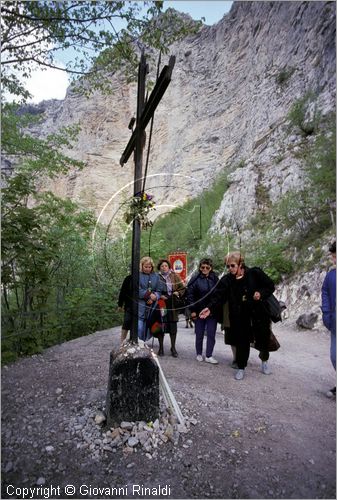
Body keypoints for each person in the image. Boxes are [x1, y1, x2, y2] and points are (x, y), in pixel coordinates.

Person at [200, 251, 275, 380]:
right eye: (228, 266)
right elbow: (218, 296)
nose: (230, 269)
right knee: (242, 341)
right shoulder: (227, 280)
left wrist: (260, 293)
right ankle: (241, 367)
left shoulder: (254, 273)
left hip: (259, 313)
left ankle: (264, 361)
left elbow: (270, 286)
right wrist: (209, 308)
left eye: (232, 265)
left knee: (263, 338)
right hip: (240, 315)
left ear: (241, 264)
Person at [186, 258, 220, 364]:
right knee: (199, 333)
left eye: (207, 267)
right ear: (200, 267)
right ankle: (199, 353)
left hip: (211, 311)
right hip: (199, 310)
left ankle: (209, 355)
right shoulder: (195, 279)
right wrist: (192, 310)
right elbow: (190, 295)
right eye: (202, 267)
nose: (204, 269)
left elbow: (218, 294)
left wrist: (213, 308)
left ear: (211, 268)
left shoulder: (215, 279)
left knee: (211, 333)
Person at [157, 259, 186, 357]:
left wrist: (177, 292)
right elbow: (152, 289)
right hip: (161, 303)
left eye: (165, 266)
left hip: (172, 303)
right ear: (159, 268)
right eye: (162, 266)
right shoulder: (156, 277)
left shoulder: (174, 276)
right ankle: (161, 348)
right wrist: (159, 296)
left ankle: (173, 348)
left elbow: (182, 288)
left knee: (173, 325)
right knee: (161, 324)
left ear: (169, 267)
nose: (164, 267)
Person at [321, 240, 336, 398]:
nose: (334, 260)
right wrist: (326, 313)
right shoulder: (331, 275)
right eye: (333, 256)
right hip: (335, 320)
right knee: (334, 356)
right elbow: (324, 291)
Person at [138, 256, 164, 342]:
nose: (148, 269)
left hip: (153, 304)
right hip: (141, 304)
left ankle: (145, 341)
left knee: (151, 322)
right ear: (142, 266)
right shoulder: (137, 276)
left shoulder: (156, 276)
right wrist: (149, 295)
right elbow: (137, 289)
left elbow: (159, 290)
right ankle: (139, 341)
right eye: (146, 267)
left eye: (150, 267)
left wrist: (155, 296)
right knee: (140, 323)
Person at [117, 273, 133, 344]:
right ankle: (122, 341)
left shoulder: (144, 277)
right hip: (129, 304)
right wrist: (120, 305)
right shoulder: (128, 278)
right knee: (127, 321)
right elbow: (123, 291)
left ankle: (135, 340)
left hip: (141, 304)